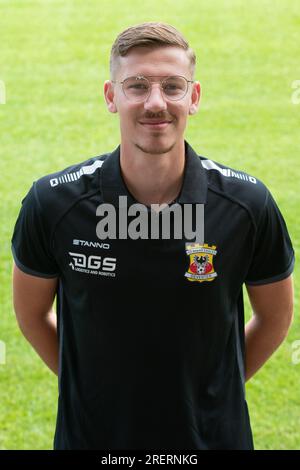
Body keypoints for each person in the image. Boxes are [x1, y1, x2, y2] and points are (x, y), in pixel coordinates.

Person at [11, 22, 294, 450]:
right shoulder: (53, 204)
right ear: (112, 97)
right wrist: (88, 386)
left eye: (173, 86)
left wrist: (214, 393)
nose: (156, 103)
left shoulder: (246, 206)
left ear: (194, 98)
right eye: (137, 86)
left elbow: (275, 316)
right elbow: (32, 314)